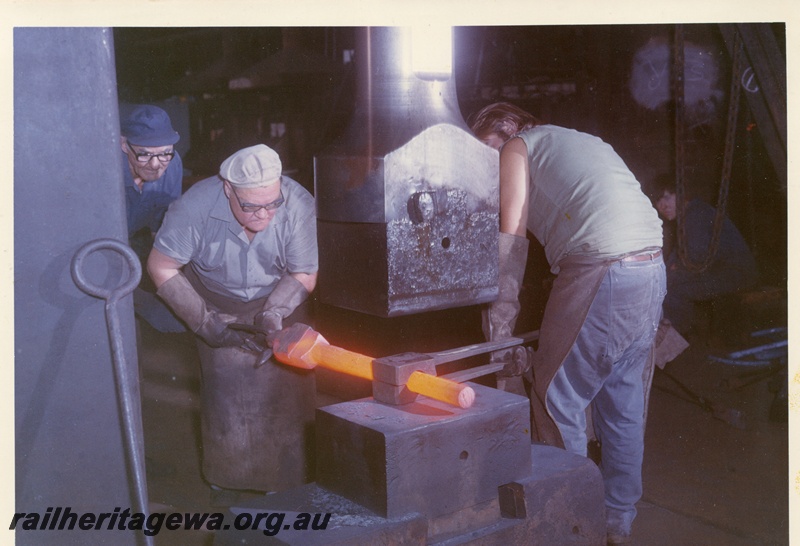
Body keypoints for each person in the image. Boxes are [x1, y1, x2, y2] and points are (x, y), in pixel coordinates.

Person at [470, 102, 666, 545]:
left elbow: (511, 237)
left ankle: (572, 520)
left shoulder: (518, 147)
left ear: (507, 130)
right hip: (650, 266)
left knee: (556, 396)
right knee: (623, 399)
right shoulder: (577, 139)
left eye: (487, 151)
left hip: (601, 268)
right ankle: (617, 519)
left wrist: (499, 328)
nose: (489, 165)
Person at [147, 143, 318, 494]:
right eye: (251, 206)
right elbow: (161, 266)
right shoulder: (194, 207)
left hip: (280, 296)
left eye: (272, 204)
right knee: (227, 400)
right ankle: (227, 484)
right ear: (228, 189)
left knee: (287, 395)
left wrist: (273, 312)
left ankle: (288, 483)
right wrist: (205, 322)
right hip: (213, 299)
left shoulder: (298, 204)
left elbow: (303, 272)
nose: (264, 216)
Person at [651, 174, 759, 336]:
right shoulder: (687, 217)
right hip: (726, 272)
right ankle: (675, 340)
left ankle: (675, 344)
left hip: (736, 274)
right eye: (658, 202)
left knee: (672, 290)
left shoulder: (696, 214)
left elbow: (695, 259)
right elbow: (679, 257)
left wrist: (666, 279)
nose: (662, 206)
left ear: (681, 194)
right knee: (667, 285)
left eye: (667, 197)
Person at [120, 104, 186, 332]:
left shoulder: (173, 164)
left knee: (170, 322)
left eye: (164, 153)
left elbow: (164, 223)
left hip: (135, 241)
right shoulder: (105, 170)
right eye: (144, 154)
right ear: (123, 145)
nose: (156, 164)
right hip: (101, 245)